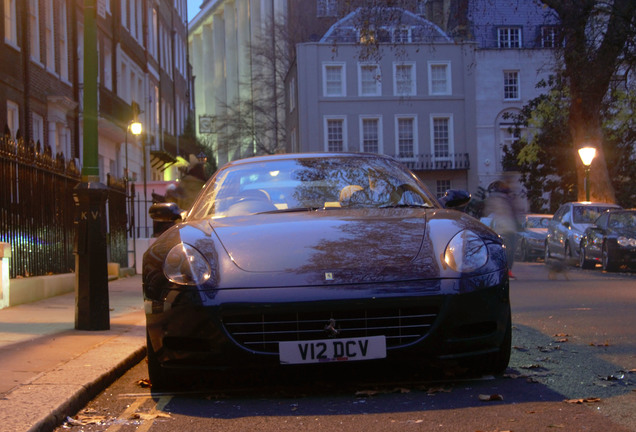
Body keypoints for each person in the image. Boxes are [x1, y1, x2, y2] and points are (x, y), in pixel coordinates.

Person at [484, 179, 521, 279]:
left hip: (503, 228)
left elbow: (489, 213)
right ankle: (506, 270)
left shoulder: (498, 199)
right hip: (507, 228)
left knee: (506, 250)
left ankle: (505, 270)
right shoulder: (504, 200)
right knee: (509, 250)